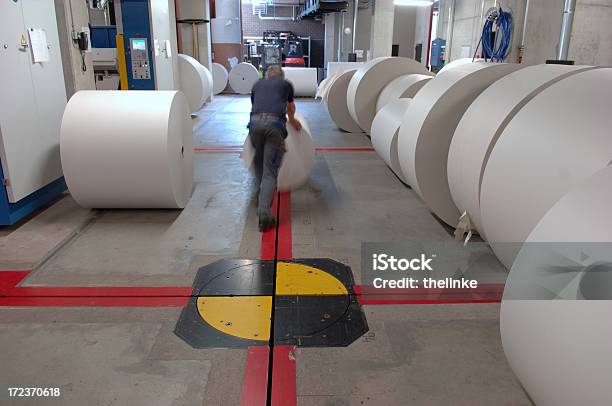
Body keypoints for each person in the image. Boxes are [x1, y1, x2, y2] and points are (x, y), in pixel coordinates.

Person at [248, 65, 302, 231]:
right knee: (270, 172)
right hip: (274, 126)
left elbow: (255, 105)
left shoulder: (257, 84)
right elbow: (290, 107)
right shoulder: (286, 84)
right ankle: (265, 216)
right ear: (281, 76)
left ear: (267, 75)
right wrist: (292, 121)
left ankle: (259, 196)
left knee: (258, 162)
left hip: (254, 125)